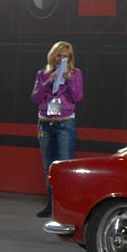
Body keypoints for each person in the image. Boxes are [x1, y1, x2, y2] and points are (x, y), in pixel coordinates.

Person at [31, 41, 84, 217]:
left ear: (70, 58)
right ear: (52, 57)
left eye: (66, 56)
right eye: (59, 55)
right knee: (49, 166)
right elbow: (35, 97)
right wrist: (48, 82)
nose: (62, 59)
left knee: (64, 165)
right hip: (45, 123)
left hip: (65, 124)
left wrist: (68, 82)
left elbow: (78, 97)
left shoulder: (76, 74)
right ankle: (51, 204)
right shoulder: (42, 74)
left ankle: (65, 206)